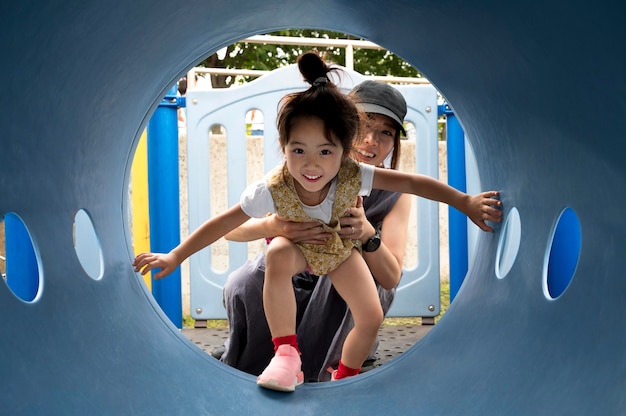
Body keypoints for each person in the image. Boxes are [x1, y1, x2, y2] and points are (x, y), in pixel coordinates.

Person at [133, 51, 502, 393]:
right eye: (299, 151)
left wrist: (464, 202)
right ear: (285, 146)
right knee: (274, 256)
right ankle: (285, 356)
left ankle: (345, 377)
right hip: (295, 253)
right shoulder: (275, 187)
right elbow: (225, 223)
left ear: (341, 149)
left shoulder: (357, 175)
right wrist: (178, 255)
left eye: (385, 133)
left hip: (337, 252)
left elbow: (412, 185)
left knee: (370, 313)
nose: (312, 165)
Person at [218, 80, 413, 383]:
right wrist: (272, 226)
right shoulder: (311, 166)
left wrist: (365, 235)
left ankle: (339, 365)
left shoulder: (394, 192)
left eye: (385, 133)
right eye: (364, 127)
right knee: (245, 280)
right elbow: (231, 230)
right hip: (297, 268)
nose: (372, 141)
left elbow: (390, 278)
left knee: (342, 282)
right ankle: (258, 357)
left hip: (344, 278)